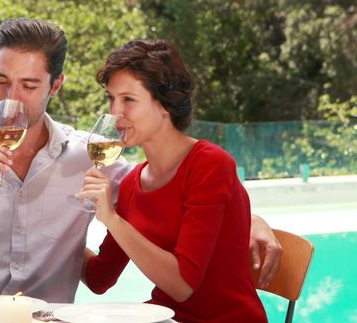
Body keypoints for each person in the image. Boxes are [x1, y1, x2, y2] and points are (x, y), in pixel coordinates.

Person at [0, 18, 281, 317]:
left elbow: (174, 194)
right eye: (1, 81)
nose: (10, 99)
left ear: (55, 86)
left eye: (28, 86)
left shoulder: (90, 157)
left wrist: (250, 219)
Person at [79, 39, 267, 322]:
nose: (115, 112)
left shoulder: (210, 165)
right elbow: (98, 278)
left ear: (165, 104)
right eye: (110, 98)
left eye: (128, 99)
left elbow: (182, 286)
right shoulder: (132, 183)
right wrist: (54, 226)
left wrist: (113, 220)